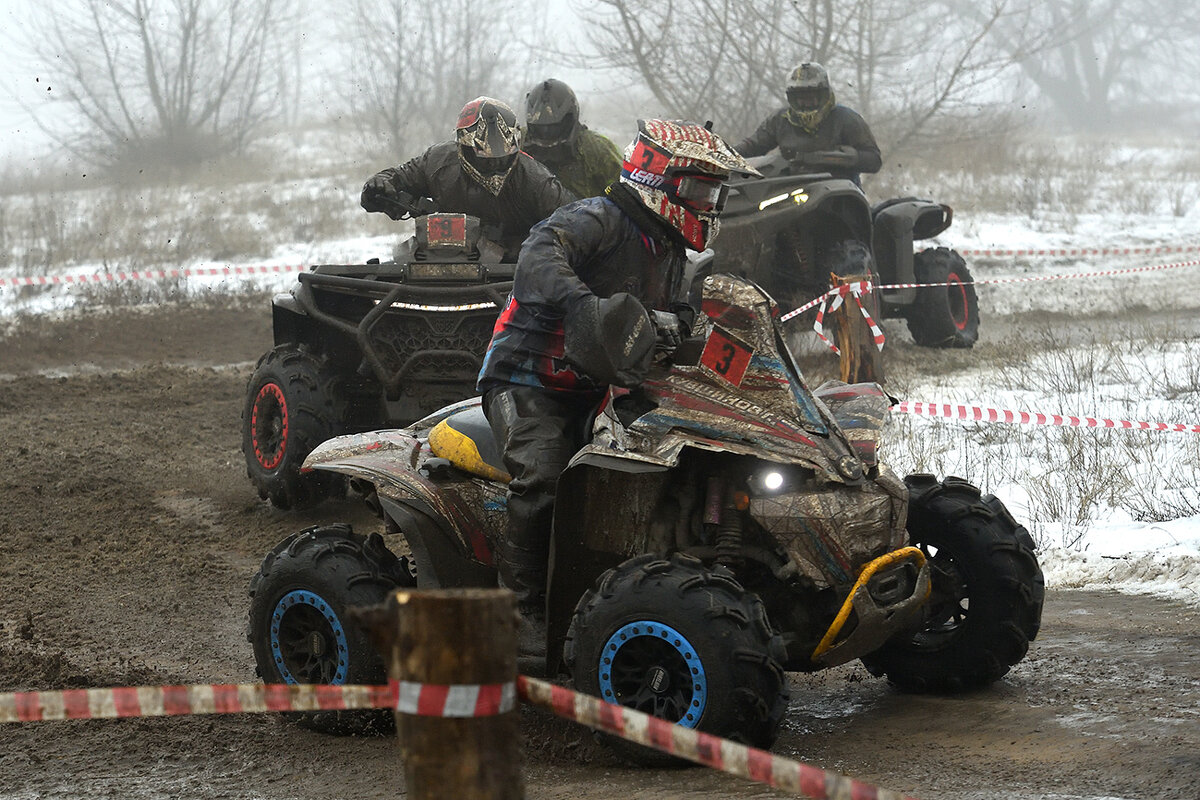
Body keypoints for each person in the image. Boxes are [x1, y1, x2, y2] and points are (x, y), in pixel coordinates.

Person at [476, 119, 757, 654]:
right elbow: (538, 253)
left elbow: (665, 311)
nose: (710, 203)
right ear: (658, 178)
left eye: (715, 192)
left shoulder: (671, 245)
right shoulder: (597, 217)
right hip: (528, 378)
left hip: (605, 381)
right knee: (543, 474)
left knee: (675, 457)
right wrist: (581, 303)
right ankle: (519, 612)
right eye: (701, 190)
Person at [360, 96, 575, 259]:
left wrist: (531, 248)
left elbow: (576, 223)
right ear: (463, 147)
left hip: (514, 269)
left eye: (501, 158)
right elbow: (397, 177)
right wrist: (377, 186)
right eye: (485, 158)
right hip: (441, 261)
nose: (494, 165)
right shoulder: (436, 161)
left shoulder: (536, 180)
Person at [735, 62, 881, 186]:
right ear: (792, 98)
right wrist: (723, 155)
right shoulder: (780, 120)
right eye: (800, 98)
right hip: (792, 190)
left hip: (840, 190)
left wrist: (852, 158)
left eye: (811, 97)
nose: (806, 102)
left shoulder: (846, 119)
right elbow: (753, 146)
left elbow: (874, 160)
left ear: (823, 95)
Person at [522, 78, 623, 199]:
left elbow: (626, 196)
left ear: (570, 119)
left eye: (554, 127)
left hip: (589, 215)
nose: (546, 133)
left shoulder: (596, 149)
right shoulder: (517, 143)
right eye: (540, 128)